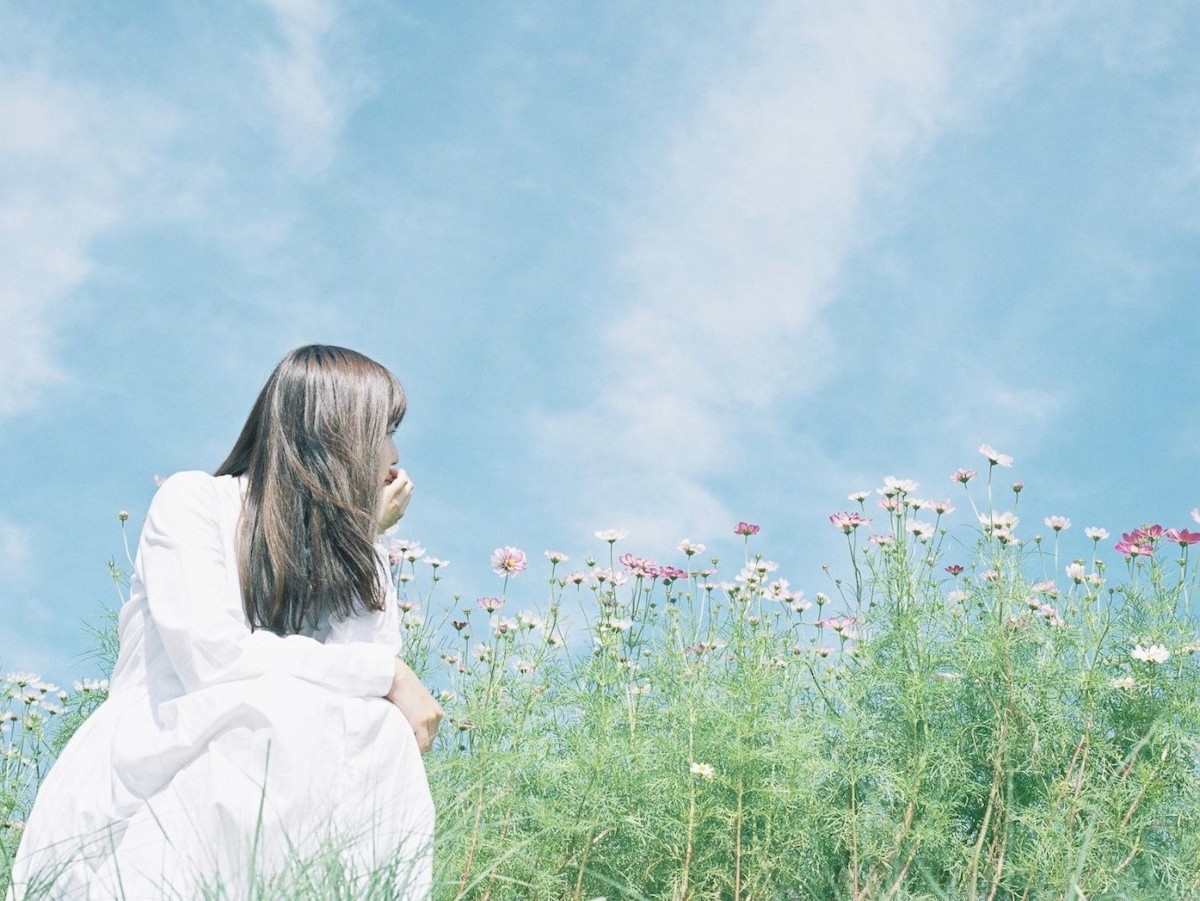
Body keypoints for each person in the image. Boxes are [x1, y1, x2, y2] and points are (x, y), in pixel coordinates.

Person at [9, 345, 442, 899]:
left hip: (283, 795)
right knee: (273, 713)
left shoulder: (351, 554)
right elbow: (216, 659)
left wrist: (364, 542)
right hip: (165, 773)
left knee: (375, 730)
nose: (394, 454)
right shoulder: (194, 502)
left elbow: (369, 702)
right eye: (383, 430)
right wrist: (389, 673)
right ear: (338, 433)